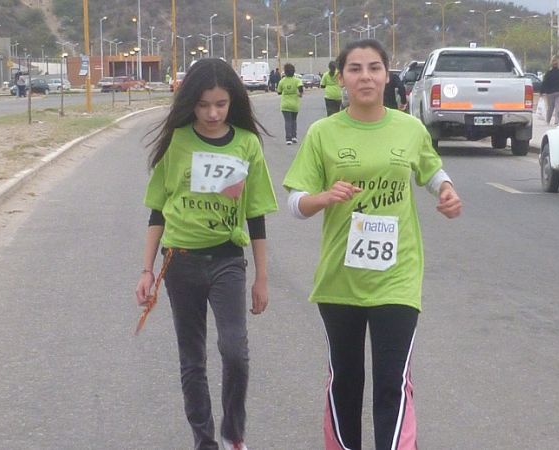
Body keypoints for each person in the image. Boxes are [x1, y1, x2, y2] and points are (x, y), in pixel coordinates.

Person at [282, 39, 462, 450]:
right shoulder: (323, 133)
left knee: (392, 380)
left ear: (387, 74)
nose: (366, 76)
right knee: (345, 378)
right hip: (340, 278)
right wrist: (324, 197)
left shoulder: (409, 128)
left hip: (397, 275)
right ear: (340, 77)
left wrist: (447, 191)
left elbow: (432, 171)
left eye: (375, 68)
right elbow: (295, 204)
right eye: (356, 69)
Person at [136, 58, 278, 450]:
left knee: (234, 351)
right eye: (202, 105)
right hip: (178, 261)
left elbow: (256, 214)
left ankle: (234, 432)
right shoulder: (178, 141)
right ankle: (204, 440)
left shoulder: (247, 144)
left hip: (227, 260)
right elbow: (157, 210)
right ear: (190, 104)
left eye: (220, 104)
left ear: (232, 101)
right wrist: (146, 270)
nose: (212, 113)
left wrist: (261, 279)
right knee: (192, 359)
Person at [276, 63, 303, 145]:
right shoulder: (297, 80)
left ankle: (288, 139)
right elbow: (301, 88)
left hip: (285, 104)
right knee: (294, 120)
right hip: (294, 104)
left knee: (287, 121)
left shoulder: (282, 81)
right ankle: (294, 136)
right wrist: (299, 94)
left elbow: (279, 92)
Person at [540, 57, 559, 126]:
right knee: (558, 107)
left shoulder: (548, 73)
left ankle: (548, 121)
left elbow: (544, 83)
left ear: (551, 64)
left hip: (550, 93)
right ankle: (557, 121)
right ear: (558, 64)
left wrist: (541, 92)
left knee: (550, 107)